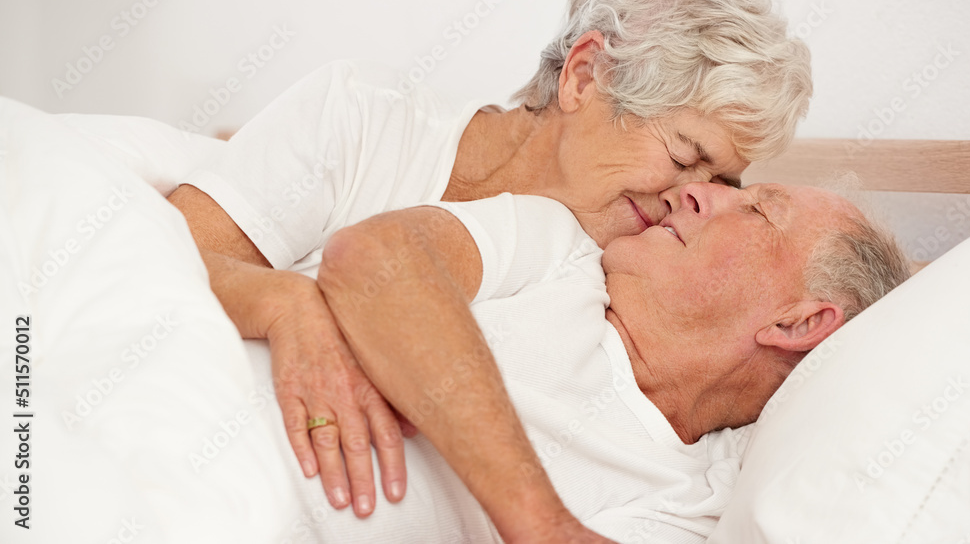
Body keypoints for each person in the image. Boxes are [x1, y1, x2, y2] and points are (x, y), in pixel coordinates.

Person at [167, 0, 812, 522]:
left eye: (722, 183)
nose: (689, 197)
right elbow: (164, 255)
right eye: (681, 154)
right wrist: (288, 303)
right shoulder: (365, 121)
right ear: (585, 75)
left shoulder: (623, 287)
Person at [253, 181, 910, 542]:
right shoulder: (560, 246)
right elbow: (370, 258)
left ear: (799, 321)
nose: (697, 190)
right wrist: (541, 524)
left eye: (758, 208)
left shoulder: (690, 504)